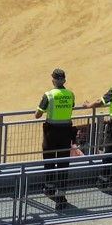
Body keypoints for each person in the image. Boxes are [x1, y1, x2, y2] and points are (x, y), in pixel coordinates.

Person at [35, 69, 76, 211]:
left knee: (49, 160)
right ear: (64, 81)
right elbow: (71, 107)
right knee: (63, 163)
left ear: (53, 81)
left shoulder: (49, 95)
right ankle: (61, 195)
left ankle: (49, 187)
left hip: (51, 133)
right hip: (66, 132)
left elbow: (37, 115)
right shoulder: (70, 94)